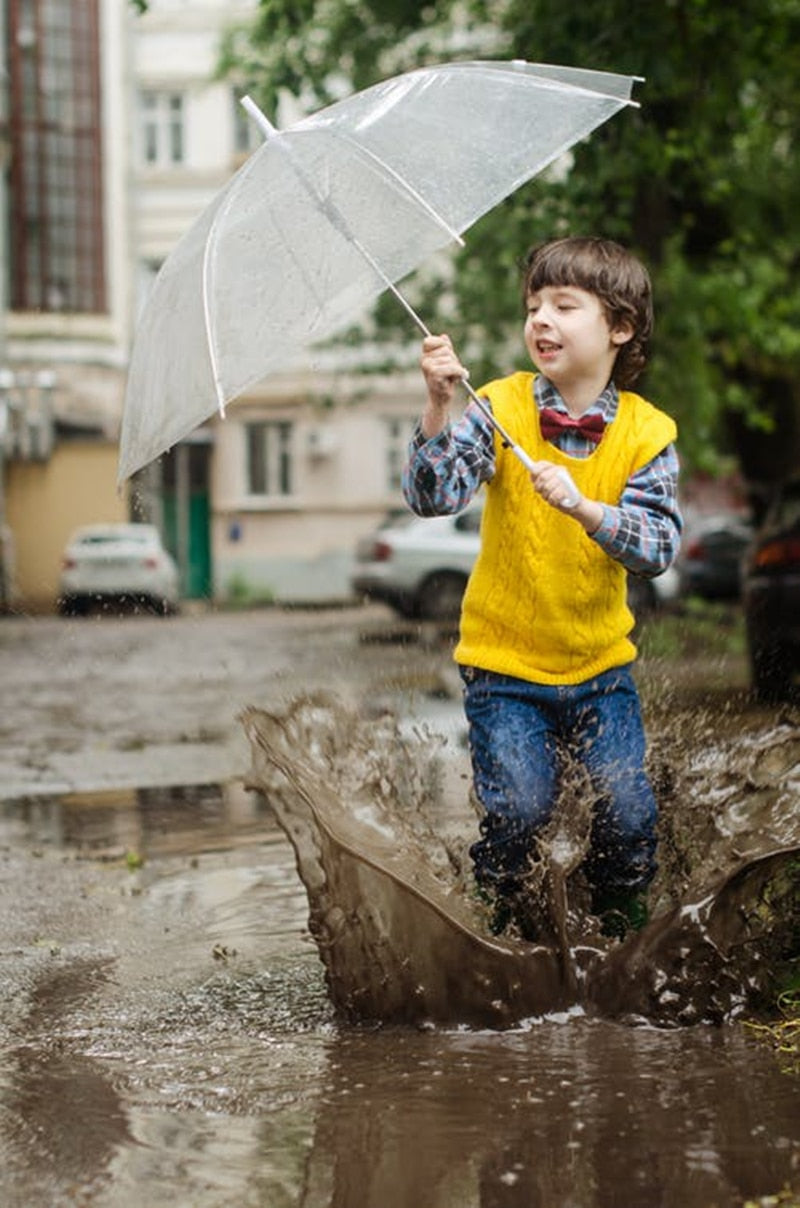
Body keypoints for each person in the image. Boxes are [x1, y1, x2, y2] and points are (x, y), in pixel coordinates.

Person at [402, 236, 682, 941]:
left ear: (619, 328)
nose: (541, 321)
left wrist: (587, 509)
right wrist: (438, 407)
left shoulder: (648, 433)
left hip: (600, 668)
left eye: (564, 305)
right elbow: (433, 496)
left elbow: (658, 548)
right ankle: (500, 929)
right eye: (533, 307)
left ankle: (624, 938)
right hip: (504, 668)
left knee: (628, 811)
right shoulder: (497, 406)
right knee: (520, 811)